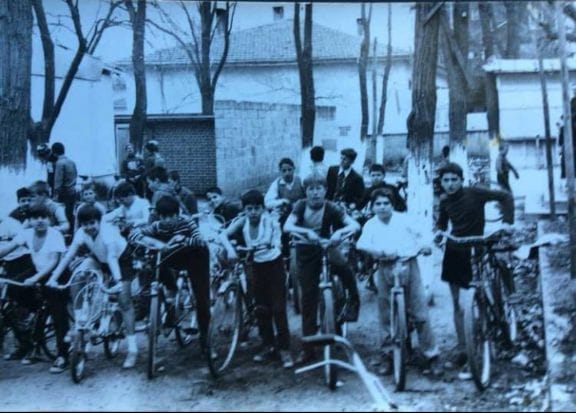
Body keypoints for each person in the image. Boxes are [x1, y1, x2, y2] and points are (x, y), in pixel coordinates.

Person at [434, 162, 514, 379]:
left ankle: (480, 346)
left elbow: (505, 196)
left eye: (454, 180)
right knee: (458, 304)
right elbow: (442, 224)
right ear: (441, 183)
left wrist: (507, 223)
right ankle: (463, 348)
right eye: (446, 180)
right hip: (454, 251)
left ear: (461, 180)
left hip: (476, 247)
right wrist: (439, 233)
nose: (450, 185)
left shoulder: (475, 193)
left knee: (476, 301)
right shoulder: (444, 201)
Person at [356, 188, 439, 375]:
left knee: (420, 312)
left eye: (386, 203)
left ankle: (430, 355)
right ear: (372, 207)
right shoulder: (371, 224)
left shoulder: (405, 220)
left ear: (392, 205)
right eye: (378, 204)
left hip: (408, 264)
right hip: (385, 267)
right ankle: (388, 355)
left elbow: (424, 233)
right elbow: (361, 243)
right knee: (386, 313)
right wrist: (374, 251)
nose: (383, 207)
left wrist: (425, 245)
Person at [48, 204, 139, 369]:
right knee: (78, 276)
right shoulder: (81, 233)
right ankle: (81, 319)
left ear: (99, 221)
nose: (89, 227)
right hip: (100, 258)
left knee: (124, 301)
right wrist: (53, 278)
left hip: (121, 260)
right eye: (85, 224)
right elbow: (68, 256)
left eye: (92, 223)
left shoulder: (108, 233)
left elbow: (112, 258)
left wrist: (118, 282)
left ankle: (132, 349)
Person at [283, 173, 361, 364]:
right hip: (306, 252)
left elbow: (355, 225)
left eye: (319, 189)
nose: (315, 193)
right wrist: (306, 232)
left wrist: (340, 232)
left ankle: (352, 302)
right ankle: (308, 348)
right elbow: (287, 226)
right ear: (306, 191)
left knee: (345, 268)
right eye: (311, 189)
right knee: (308, 298)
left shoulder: (332, 207)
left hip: (327, 247)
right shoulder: (300, 205)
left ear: (325, 191)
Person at [128, 196, 212, 358]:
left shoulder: (187, 222)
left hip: (195, 258)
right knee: (155, 262)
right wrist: (153, 242)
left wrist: (185, 239)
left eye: (171, 216)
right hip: (173, 256)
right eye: (163, 217)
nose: (167, 220)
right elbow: (134, 235)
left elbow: (201, 241)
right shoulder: (157, 226)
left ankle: (205, 342)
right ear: (159, 216)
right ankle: (170, 300)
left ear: (177, 213)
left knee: (202, 299)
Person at [220, 189, 294, 368]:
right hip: (256, 267)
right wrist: (230, 249)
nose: (253, 212)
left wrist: (267, 244)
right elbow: (223, 234)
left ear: (262, 209)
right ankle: (268, 345)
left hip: (274, 266)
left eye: (256, 208)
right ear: (244, 210)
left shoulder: (270, 222)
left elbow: (276, 241)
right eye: (249, 209)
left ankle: (284, 349)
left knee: (278, 308)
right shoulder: (242, 221)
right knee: (261, 308)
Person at [0, 203, 69, 373]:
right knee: (13, 289)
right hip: (38, 270)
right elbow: (7, 249)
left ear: (49, 219)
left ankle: (63, 355)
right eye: (34, 218)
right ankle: (35, 318)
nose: (39, 221)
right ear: (29, 221)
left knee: (58, 312)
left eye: (43, 217)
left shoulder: (55, 235)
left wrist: (35, 279)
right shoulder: (26, 233)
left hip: (57, 275)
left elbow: (54, 262)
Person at [51, 142, 78, 233]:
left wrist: (55, 196)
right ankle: (72, 232)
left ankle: (66, 233)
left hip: (64, 193)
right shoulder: (71, 162)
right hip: (73, 192)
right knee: (71, 214)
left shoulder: (59, 163)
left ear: (54, 152)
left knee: (64, 215)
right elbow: (75, 176)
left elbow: (58, 182)